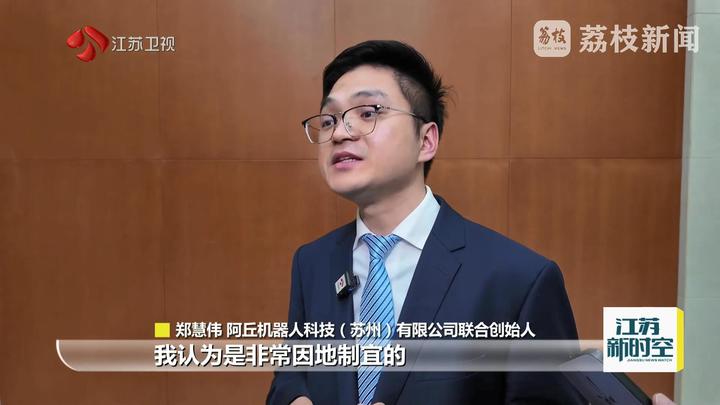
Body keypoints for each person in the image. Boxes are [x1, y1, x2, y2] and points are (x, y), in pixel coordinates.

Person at [267, 40, 585, 405]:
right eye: (328, 120)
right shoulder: (313, 262)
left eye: (368, 113)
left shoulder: (519, 279)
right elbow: (290, 378)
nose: (340, 133)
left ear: (426, 141)